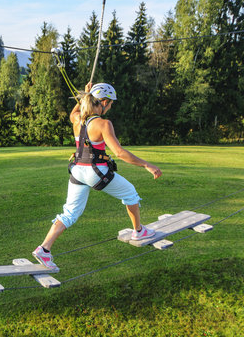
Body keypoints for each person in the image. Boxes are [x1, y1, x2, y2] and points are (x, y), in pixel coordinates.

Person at [33, 82, 162, 269]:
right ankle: (139, 231)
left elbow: (72, 113)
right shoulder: (103, 124)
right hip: (96, 172)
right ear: (103, 101)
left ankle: (44, 249)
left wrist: (85, 95)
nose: (109, 108)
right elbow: (119, 153)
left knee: (69, 213)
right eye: (109, 104)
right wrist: (147, 165)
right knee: (130, 194)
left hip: (77, 171)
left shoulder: (77, 119)